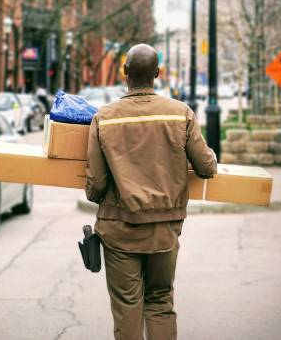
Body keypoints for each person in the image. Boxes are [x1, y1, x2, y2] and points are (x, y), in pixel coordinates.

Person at [86, 43, 217, 340]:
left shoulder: (104, 118)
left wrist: (100, 196)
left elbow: (95, 184)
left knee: (127, 306)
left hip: (119, 229)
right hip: (164, 230)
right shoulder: (180, 113)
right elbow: (207, 168)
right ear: (157, 74)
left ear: (124, 73)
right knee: (159, 301)